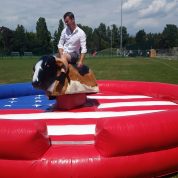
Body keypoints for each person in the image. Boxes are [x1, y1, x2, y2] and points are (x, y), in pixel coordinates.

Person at [56, 12, 87, 78]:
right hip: (64, 53)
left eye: (67, 21)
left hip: (74, 54)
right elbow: (60, 44)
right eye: (65, 22)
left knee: (63, 56)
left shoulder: (81, 33)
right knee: (51, 59)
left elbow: (83, 49)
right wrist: (61, 53)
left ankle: (62, 75)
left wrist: (81, 61)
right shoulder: (64, 31)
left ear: (73, 19)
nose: (66, 23)